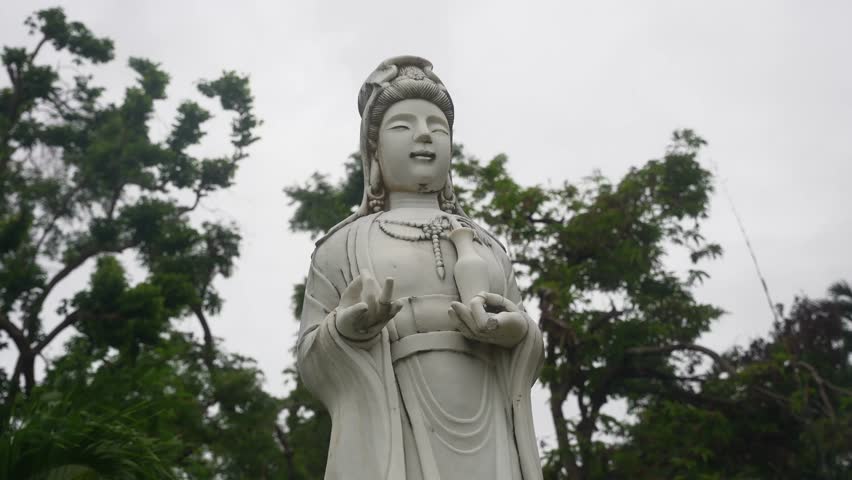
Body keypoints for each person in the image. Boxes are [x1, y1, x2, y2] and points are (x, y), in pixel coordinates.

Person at [297, 56, 544, 480]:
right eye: (402, 126)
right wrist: (347, 330)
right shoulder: (342, 246)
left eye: (438, 127)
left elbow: (525, 335)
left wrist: (517, 332)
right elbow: (309, 356)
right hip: (393, 424)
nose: (425, 135)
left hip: (488, 421)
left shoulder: (488, 247)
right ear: (374, 151)